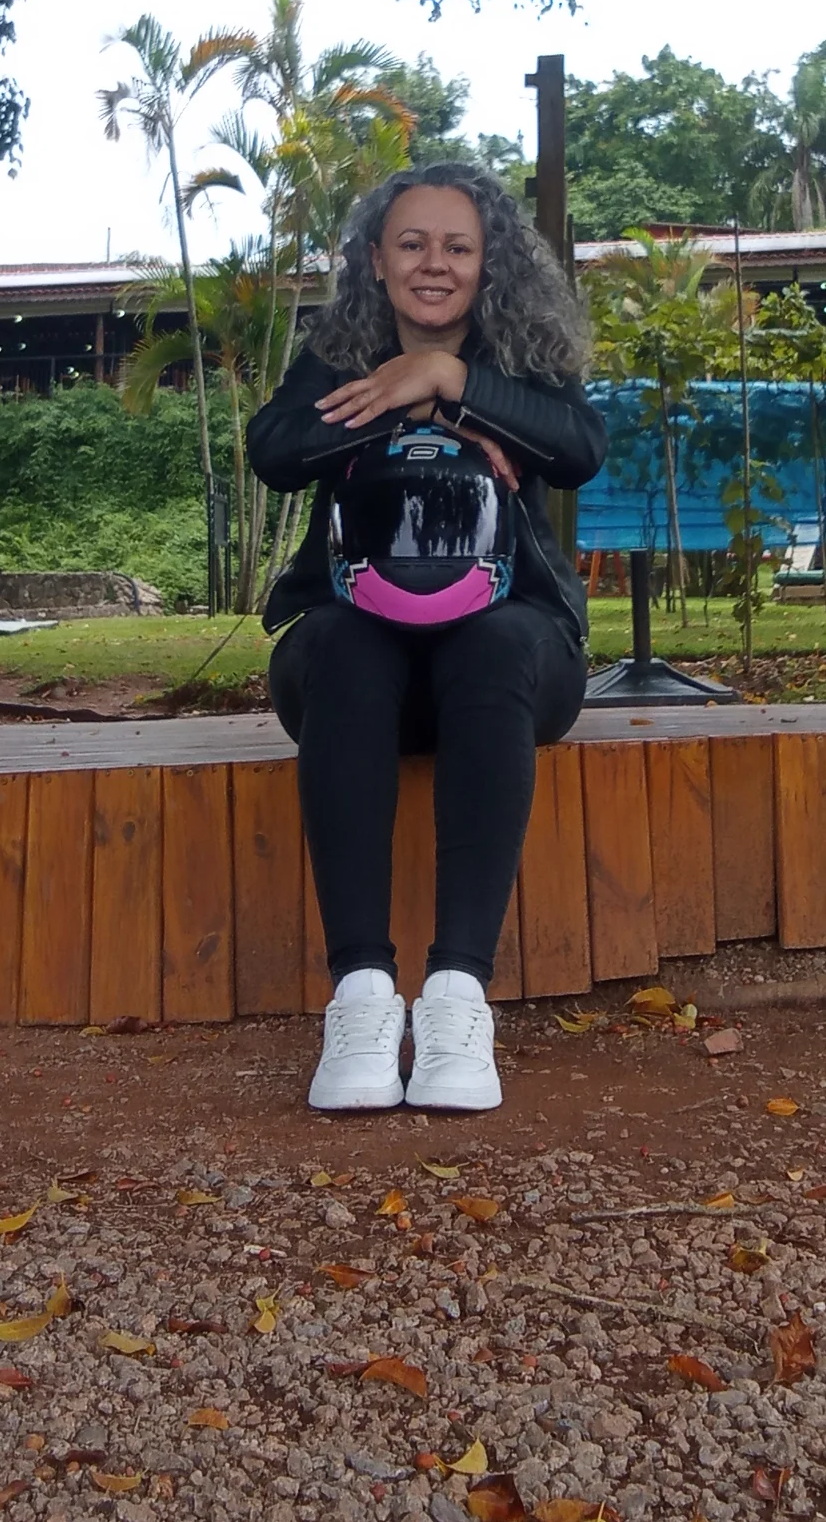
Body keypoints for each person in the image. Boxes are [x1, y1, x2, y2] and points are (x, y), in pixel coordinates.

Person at [246, 162, 606, 1114]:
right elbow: (274, 450)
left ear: (489, 265)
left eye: (457, 246)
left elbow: (580, 449)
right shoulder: (339, 352)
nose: (433, 264)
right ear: (376, 259)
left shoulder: (522, 358)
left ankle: (455, 998)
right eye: (411, 244)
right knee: (343, 646)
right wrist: (395, 397)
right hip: (360, 659)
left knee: (493, 646)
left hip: (511, 657)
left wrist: (453, 382)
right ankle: (362, 996)